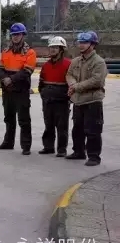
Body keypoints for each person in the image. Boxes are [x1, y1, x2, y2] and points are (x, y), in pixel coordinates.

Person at [0, 23, 37, 155]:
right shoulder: (6, 51)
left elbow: (27, 71)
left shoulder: (30, 52)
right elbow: (0, 68)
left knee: (24, 119)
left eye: (18, 34)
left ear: (23, 35)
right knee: (9, 118)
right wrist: (4, 79)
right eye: (13, 35)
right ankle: (8, 142)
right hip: (7, 90)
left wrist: (11, 79)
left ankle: (26, 146)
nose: (15, 37)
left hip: (21, 90)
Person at [66, 31, 107, 166]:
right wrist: (72, 84)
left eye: (85, 42)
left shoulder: (99, 62)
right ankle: (78, 152)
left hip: (92, 100)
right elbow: (69, 74)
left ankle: (94, 156)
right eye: (80, 42)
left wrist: (76, 87)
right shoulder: (76, 61)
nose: (81, 45)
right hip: (78, 101)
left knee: (93, 130)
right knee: (77, 129)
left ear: (93, 44)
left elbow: (97, 81)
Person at [37, 36, 71, 157]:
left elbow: (72, 83)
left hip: (62, 101)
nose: (52, 49)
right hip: (48, 100)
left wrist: (68, 98)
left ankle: (62, 149)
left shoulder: (68, 64)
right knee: (48, 125)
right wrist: (44, 94)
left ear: (61, 49)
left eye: (55, 47)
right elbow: (41, 82)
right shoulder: (46, 65)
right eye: (51, 47)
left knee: (62, 126)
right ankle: (48, 147)